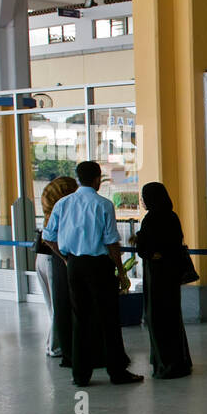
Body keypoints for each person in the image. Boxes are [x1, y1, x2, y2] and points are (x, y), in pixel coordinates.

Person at [43, 160, 143, 387]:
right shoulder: (103, 204)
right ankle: (117, 372)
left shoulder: (63, 204)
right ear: (98, 179)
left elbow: (48, 237)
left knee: (80, 319)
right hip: (99, 266)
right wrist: (120, 270)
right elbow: (111, 242)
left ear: (78, 179)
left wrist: (67, 259)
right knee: (109, 319)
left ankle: (80, 374)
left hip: (75, 266)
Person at [135, 182, 192, 379]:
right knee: (172, 317)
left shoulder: (150, 219)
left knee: (157, 318)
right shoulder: (172, 216)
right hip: (172, 274)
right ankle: (179, 360)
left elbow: (144, 249)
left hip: (157, 276)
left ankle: (164, 363)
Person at [35, 176, 78, 362]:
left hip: (42, 259)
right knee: (59, 305)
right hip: (54, 260)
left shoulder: (49, 209)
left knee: (52, 305)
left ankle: (53, 344)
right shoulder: (63, 212)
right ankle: (56, 346)